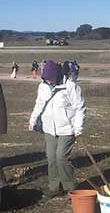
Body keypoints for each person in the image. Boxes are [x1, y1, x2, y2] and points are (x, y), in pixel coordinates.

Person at [28, 61, 86, 198]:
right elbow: (39, 104)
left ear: (57, 75)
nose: (49, 81)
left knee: (61, 157)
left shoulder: (70, 86)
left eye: (51, 79)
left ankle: (69, 186)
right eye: (46, 79)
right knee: (51, 157)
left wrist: (78, 128)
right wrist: (33, 120)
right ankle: (54, 187)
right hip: (49, 128)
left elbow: (80, 108)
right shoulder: (42, 87)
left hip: (67, 128)